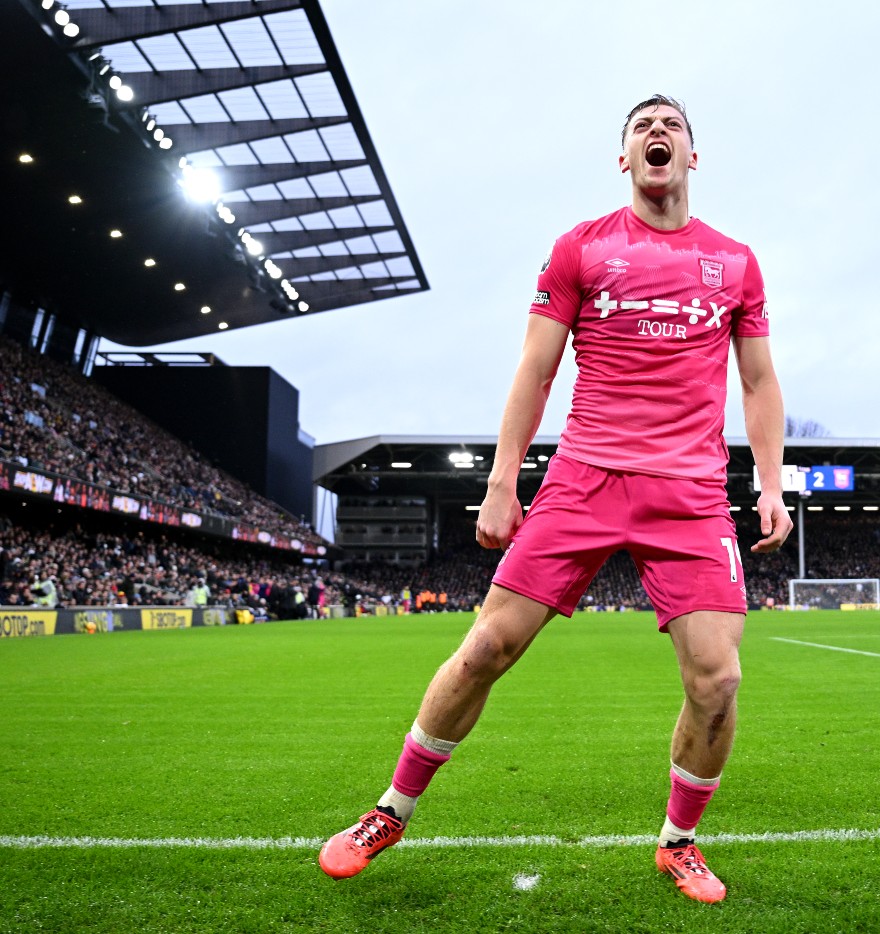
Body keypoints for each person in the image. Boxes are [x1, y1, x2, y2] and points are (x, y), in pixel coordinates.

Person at [317, 94, 793, 904]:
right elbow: (535, 371)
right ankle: (391, 810)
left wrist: (772, 483)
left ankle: (679, 843)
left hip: (690, 494)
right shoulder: (581, 247)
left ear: (693, 155)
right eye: (641, 126)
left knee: (718, 680)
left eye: (671, 124)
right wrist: (502, 481)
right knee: (485, 650)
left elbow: (757, 380)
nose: (656, 132)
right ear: (623, 158)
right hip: (584, 480)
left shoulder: (736, 262)